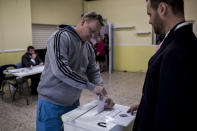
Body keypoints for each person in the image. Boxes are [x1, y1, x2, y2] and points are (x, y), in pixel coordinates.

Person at [36, 12, 114, 131]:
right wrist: (91, 86)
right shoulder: (60, 37)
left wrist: (102, 92)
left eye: (96, 33)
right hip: (51, 104)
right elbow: (61, 69)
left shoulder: (88, 47)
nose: (93, 36)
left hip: (73, 103)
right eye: (91, 31)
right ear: (83, 22)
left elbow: (93, 71)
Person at [127, 0, 197, 131]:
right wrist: (145, 105)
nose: (149, 21)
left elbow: (170, 116)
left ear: (162, 9)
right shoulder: (177, 40)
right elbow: (167, 96)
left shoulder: (178, 50)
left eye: (150, 14)